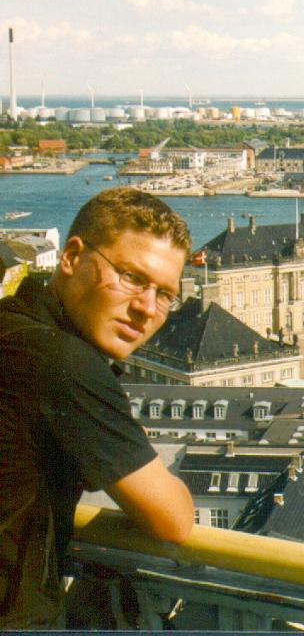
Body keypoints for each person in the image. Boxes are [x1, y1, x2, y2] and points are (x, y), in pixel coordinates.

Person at [0, 188, 196, 628]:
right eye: (131, 277)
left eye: (165, 294)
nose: (147, 308)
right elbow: (174, 520)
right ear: (71, 257)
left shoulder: (12, 327)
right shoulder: (64, 363)